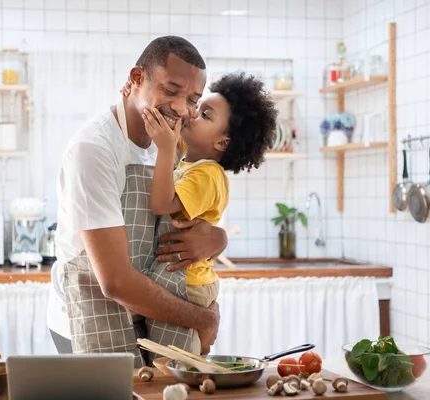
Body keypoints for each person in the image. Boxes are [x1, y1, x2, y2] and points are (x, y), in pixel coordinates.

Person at [47, 36, 228, 367]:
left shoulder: (172, 145)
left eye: (192, 99)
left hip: (149, 314)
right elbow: (115, 281)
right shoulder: (95, 149)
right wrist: (203, 320)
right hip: (91, 314)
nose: (180, 108)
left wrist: (218, 239)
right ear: (135, 79)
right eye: (171, 90)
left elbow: (185, 217)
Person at [140, 72, 277, 355]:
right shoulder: (188, 160)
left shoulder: (207, 174)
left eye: (205, 115)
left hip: (188, 286)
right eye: (197, 105)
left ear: (222, 143)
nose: (191, 113)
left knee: (180, 362)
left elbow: (162, 204)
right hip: (179, 279)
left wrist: (166, 148)